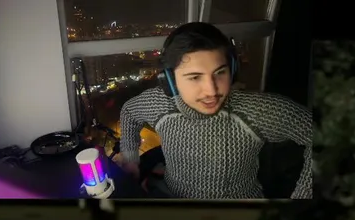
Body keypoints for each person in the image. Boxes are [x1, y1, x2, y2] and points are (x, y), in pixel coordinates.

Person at [115, 22, 313, 199]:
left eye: (220, 72)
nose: (211, 90)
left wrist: (303, 196)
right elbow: (129, 112)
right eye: (195, 77)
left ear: (232, 70)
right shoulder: (159, 104)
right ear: (170, 81)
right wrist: (131, 159)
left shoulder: (255, 110)